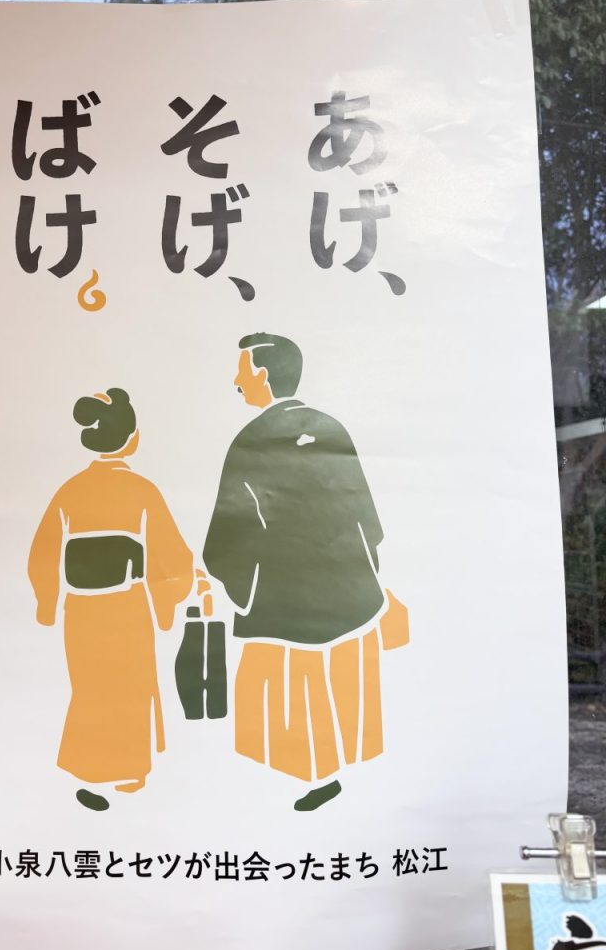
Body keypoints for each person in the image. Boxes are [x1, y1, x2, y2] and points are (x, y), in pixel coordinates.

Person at [203, 334, 409, 811]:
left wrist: (241, 588)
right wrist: (361, 570)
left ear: (264, 375)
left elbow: (227, 534)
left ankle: (310, 774)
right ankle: (348, 763)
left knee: (294, 689)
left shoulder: (251, 441)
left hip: (284, 595)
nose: (237, 381)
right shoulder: (331, 429)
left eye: (243, 371)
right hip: (348, 589)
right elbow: (367, 517)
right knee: (345, 680)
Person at [28, 388, 194, 811]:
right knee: (129, 687)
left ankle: (91, 776)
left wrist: (48, 604)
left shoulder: (70, 491)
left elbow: (42, 554)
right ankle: (131, 771)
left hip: (81, 610)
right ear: (132, 438)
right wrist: (167, 602)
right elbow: (172, 557)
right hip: (127, 606)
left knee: (90, 688)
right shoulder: (142, 491)